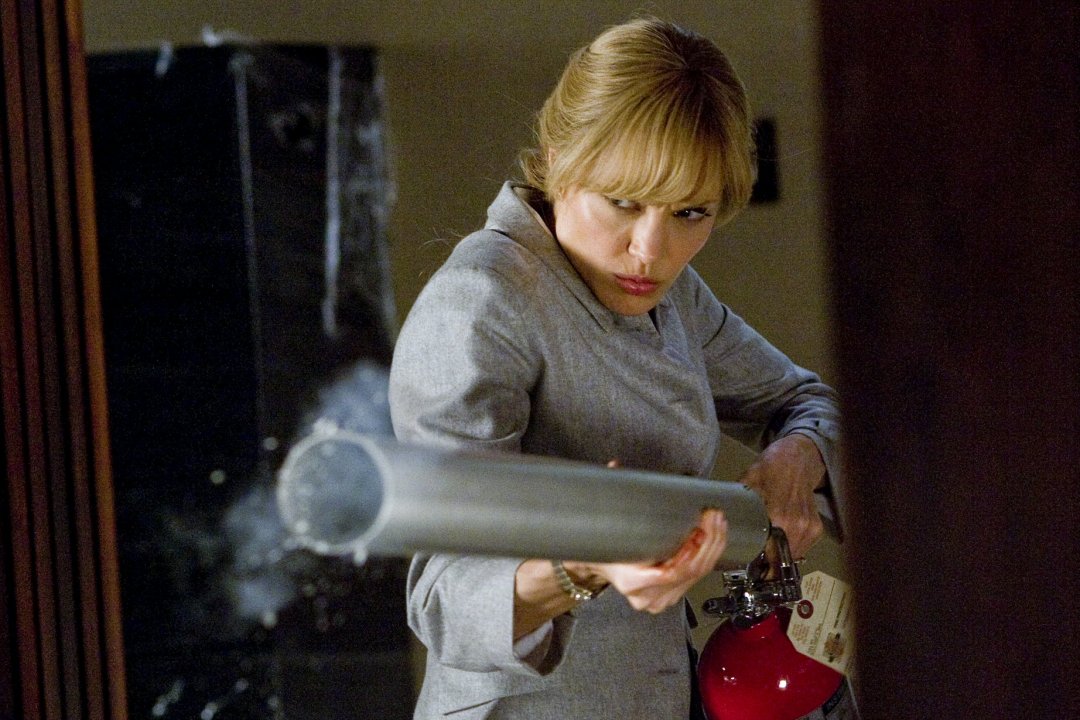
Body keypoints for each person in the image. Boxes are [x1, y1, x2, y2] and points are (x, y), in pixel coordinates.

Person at [388, 16, 841, 719]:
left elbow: (808, 399)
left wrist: (797, 455)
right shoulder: (480, 302)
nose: (650, 251)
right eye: (623, 202)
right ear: (559, 159)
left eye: (690, 212)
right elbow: (442, 599)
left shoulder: (673, 295)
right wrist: (583, 565)